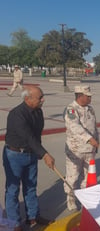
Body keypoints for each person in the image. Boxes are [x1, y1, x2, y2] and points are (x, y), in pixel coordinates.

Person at [3, 86, 55, 230]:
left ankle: (33, 217)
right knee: (13, 189)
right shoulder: (16, 114)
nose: (43, 99)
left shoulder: (38, 111)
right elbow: (27, 137)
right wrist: (44, 154)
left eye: (42, 96)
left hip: (31, 154)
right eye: (40, 97)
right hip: (14, 155)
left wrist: (39, 153)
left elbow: (36, 136)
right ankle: (14, 223)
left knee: (31, 186)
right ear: (28, 99)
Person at [64, 85, 99, 211]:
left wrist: (96, 141)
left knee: (88, 176)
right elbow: (75, 127)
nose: (90, 98)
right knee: (73, 176)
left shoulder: (90, 109)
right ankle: (71, 199)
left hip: (90, 150)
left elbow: (94, 128)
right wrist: (90, 139)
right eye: (87, 96)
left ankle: (85, 197)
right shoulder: (71, 109)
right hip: (75, 150)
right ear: (80, 96)